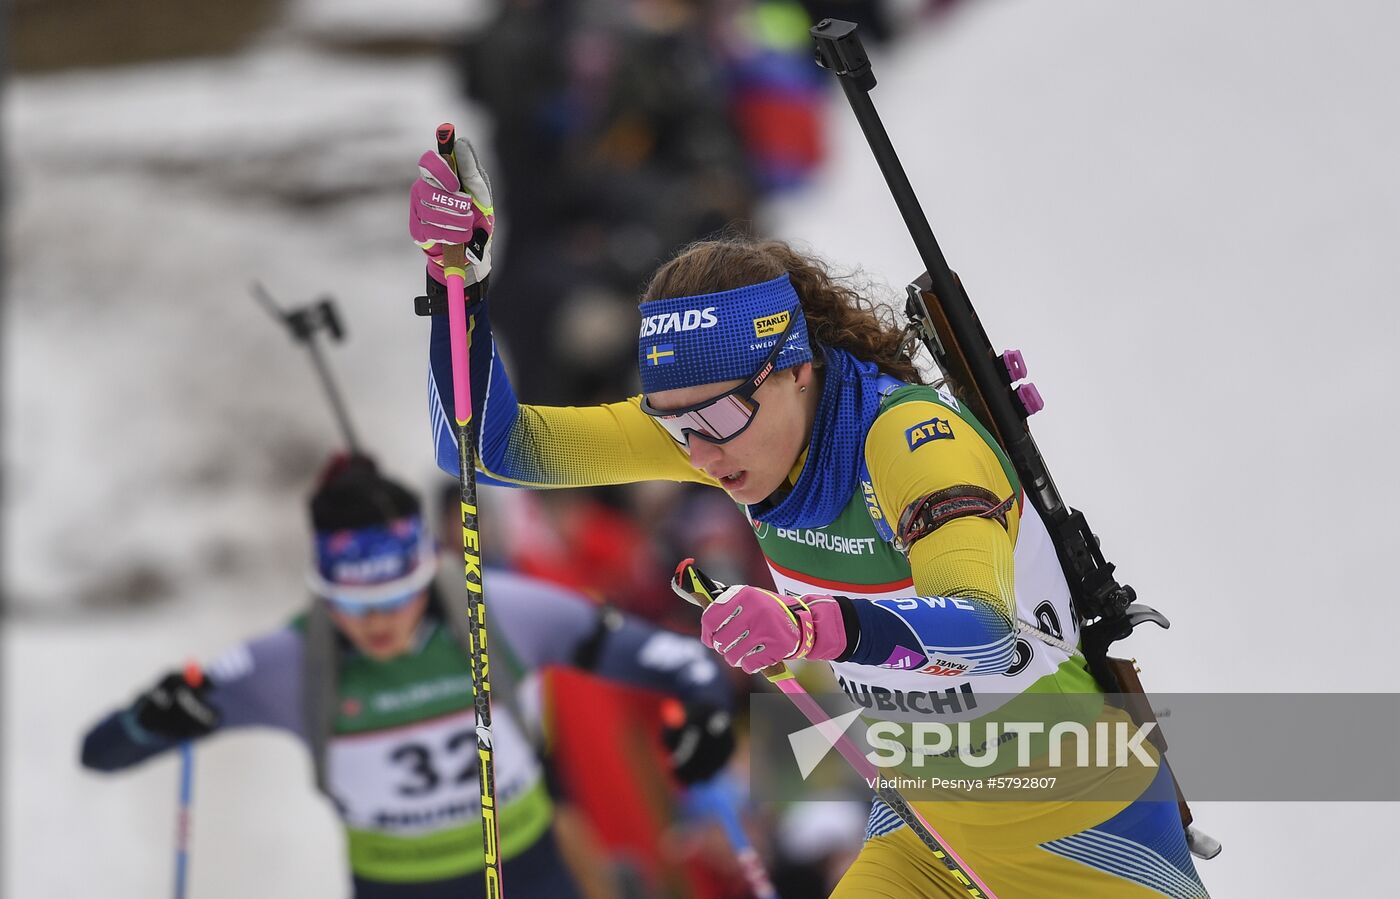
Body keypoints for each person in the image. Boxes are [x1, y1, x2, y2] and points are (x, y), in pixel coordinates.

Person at [409, 141, 1211, 898]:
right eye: (673, 426)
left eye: (718, 418)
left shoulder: (908, 441)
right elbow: (487, 449)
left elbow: (986, 632)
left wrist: (812, 627)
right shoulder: (731, 432)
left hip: (1082, 827)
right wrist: (455, 287)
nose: (701, 454)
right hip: (930, 835)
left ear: (794, 369)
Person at [80, 454, 735, 899]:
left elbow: (684, 660)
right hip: (399, 882)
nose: (380, 623)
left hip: (537, 868)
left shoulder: (506, 607)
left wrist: (713, 710)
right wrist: (155, 718)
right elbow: (102, 751)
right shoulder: (290, 660)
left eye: (400, 595)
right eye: (356, 605)